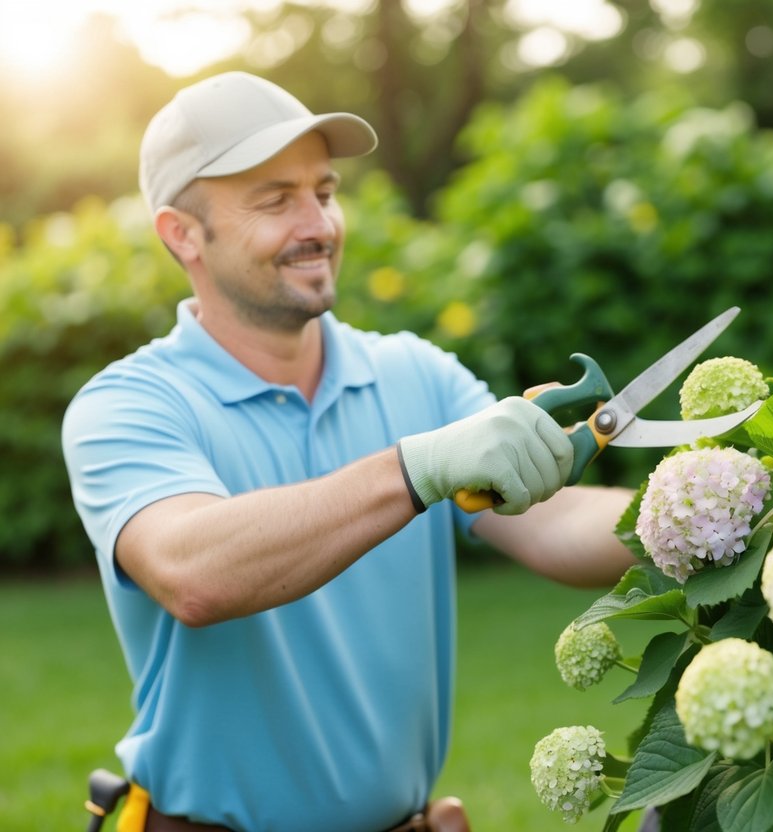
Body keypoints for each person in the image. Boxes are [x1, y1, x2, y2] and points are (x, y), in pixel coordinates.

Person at [61, 71, 637, 832]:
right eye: (275, 200)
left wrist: (723, 504)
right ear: (182, 234)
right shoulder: (129, 406)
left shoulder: (414, 373)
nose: (319, 224)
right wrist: (416, 468)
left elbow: (552, 524)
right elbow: (193, 572)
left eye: (325, 192)